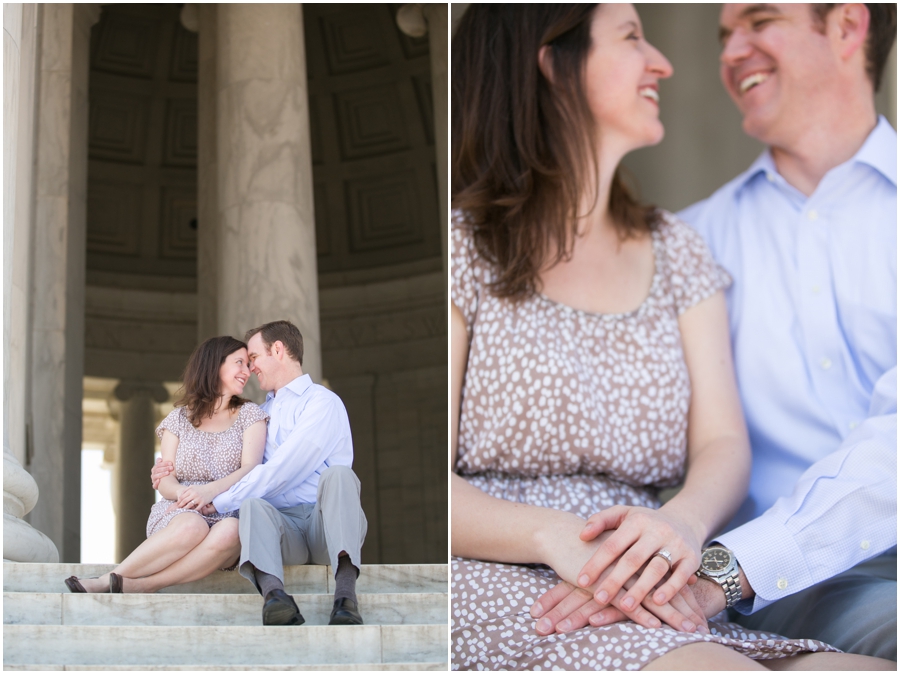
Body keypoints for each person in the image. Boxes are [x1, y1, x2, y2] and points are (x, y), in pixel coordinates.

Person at [450, 4, 893, 670]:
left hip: (674, 565)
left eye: (760, 21)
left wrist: (683, 533)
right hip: (538, 568)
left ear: (848, 27)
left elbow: (722, 443)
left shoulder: (682, 249)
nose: (671, 63)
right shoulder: (463, 250)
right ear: (553, 64)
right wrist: (568, 539)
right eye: (633, 38)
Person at [152, 320, 367, 627]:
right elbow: (240, 467)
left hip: (324, 528)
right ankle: (276, 598)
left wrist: (219, 498)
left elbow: (285, 469)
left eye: (253, 357)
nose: (250, 368)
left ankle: (346, 597)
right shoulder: (257, 414)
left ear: (277, 350)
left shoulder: (322, 402)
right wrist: (166, 472)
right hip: (283, 531)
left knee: (340, 477)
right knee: (252, 506)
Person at [65, 336, 268, 594]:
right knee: (191, 525)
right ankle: (108, 579)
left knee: (233, 531)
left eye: (248, 364)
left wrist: (209, 492)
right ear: (215, 364)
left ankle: (144, 585)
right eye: (239, 362)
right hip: (182, 510)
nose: (247, 371)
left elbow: (251, 468)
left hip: (229, 507)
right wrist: (185, 494)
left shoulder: (251, 414)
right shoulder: (178, 419)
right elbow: (165, 478)